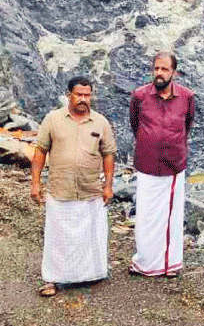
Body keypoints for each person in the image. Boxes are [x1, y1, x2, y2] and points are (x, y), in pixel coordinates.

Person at [30, 76, 117, 296]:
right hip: (61, 189)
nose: (83, 99)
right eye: (79, 95)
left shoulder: (100, 122)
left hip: (90, 191)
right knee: (57, 238)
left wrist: (108, 185)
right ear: (69, 95)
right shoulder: (53, 119)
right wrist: (35, 183)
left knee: (91, 235)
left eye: (87, 95)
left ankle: (91, 274)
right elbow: (40, 151)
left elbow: (108, 155)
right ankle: (52, 279)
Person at [129, 51, 195, 277]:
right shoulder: (139, 96)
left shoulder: (186, 97)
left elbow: (187, 125)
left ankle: (170, 264)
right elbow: (135, 123)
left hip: (173, 165)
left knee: (172, 216)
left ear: (173, 72)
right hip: (147, 164)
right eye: (156, 68)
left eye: (164, 69)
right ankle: (145, 262)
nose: (159, 73)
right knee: (146, 215)